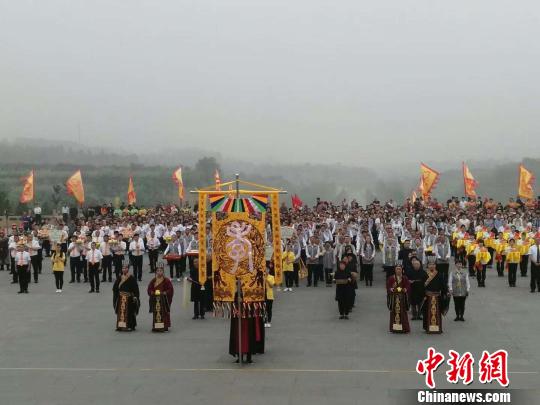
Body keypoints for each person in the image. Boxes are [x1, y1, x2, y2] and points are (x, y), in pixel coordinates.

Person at [229, 292, 265, 364]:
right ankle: (240, 357)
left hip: (248, 320)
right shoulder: (237, 293)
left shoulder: (250, 291)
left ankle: (249, 358)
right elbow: (233, 303)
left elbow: (255, 303)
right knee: (238, 338)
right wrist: (236, 310)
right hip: (238, 321)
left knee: (249, 338)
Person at [422, 257, 448, 334]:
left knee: (437, 312)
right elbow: (422, 286)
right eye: (430, 264)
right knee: (427, 312)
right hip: (428, 297)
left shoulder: (439, 275)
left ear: (435, 266)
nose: (432, 266)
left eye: (433, 264)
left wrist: (445, 292)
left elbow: (443, 285)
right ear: (428, 266)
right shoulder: (424, 274)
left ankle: (438, 327)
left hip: (437, 297)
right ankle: (427, 327)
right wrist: (423, 295)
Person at [113, 265, 140, 331]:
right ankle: (120, 325)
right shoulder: (120, 277)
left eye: (125, 268)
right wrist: (117, 293)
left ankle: (131, 325)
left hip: (129, 298)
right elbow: (115, 287)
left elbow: (136, 288)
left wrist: (135, 296)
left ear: (128, 269)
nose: (124, 269)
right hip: (121, 297)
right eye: (123, 268)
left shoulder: (131, 278)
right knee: (121, 312)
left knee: (130, 312)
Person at [147, 264, 174, 331]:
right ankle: (156, 326)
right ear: (156, 272)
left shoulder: (166, 280)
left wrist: (165, 293)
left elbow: (170, 289)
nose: (159, 272)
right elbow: (149, 288)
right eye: (158, 271)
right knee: (156, 312)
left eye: (161, 271)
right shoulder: (153, 280)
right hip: (156, 299)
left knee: (164, 312)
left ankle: (165, 326)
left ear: (163, 272)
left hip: (163, 299)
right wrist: (152, 292)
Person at [386, 263, 410, 333]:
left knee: (403, 312)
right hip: (394, 298)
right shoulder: (391, 278)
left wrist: (405, 289)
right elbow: (388, 286)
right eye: (397, 269)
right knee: (394, 312)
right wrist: (391, 289)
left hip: (402, 298)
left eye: (400, 269)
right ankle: (394, 328)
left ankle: (404, 328)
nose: (398, 270)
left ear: (402, 270)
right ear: (395, 270)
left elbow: (407, 286)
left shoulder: (404, 278)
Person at [406, 256, 426, 320]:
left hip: (421, 289)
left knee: (420, 303)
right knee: (413, 303)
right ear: (413, 265)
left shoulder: (423, 272)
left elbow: (426, 281)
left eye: (418, 264)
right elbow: (406, 280)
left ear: (420, 265)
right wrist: (410, 281)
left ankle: (419, 315)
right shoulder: (409, 271)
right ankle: (414, 315)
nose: (417, 265)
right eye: (415, 264)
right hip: (413, 289)